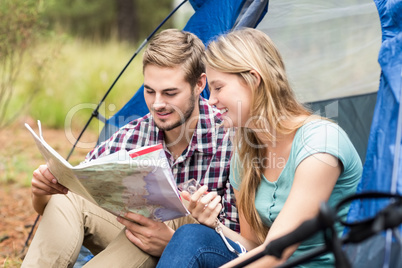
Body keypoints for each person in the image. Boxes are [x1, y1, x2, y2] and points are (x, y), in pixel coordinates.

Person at [22, 29, 239, 268]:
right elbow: (57, 204)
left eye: (170, 93)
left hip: (197, 252)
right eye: (149, 91)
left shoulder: (230, 139)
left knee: (155, 225)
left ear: (199, 84)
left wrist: (174, 243)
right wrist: (42, 192)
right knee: (70, 197)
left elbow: (241, 245)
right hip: (135, 236)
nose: (157, 104)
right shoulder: (133, 135)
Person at [156, 28, 363, 268]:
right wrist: (215, 225)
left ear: (253, 80)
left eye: (218, 87)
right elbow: (254, 246)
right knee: (192, 235)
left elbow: (278, 252)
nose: (210, 100)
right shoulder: (246, 152)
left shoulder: (321, 143)